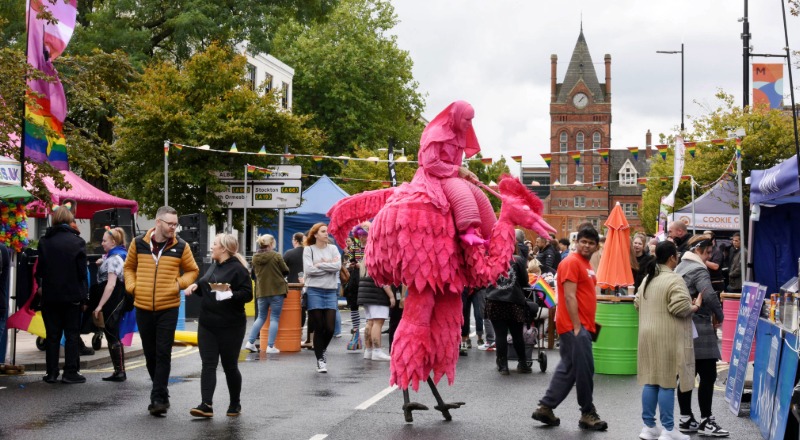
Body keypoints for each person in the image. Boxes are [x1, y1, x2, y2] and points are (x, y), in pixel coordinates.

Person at [125, 206, 199, 416]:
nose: (173, 228)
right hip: (143, 306)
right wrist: (132, 287)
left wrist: (178, 284)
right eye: (170, 224)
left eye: (176, 224)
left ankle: (157, 398)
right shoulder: (138, 243)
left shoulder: (181, 246)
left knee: (163, 352)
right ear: (158, 223)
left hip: (168, 307)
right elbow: (128, 267)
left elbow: (193, 270)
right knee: (150, 355)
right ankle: (163, 392)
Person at [532, 225, 608, 431]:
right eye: (583, 241)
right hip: (575, 326)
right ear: (576, 242)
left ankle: (546, 407)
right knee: (584, 369)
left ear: (596, 246)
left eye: (591, 243)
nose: (587, 245)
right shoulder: (571, 262)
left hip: (582, 325)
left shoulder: (585, 264)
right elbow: (569, 295)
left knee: (570, 368)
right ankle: (587, 412)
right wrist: (577, 327)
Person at [635, 241, 698, 440]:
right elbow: (679, 308)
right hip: (667, 336)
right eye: (676, 255)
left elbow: (637, 302)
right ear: (672, 257)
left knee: (650, 380)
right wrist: (694, 306)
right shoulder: (674, 279)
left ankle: (649, 427)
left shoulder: (648, 278)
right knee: (667, 382)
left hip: (647, 334)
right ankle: (669, 430)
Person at [185, 233, 253, 418]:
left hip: (231, 325)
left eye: (214, 244)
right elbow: (205, 283)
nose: (211, 247)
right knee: (208, 364)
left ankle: (235, 403)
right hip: (207, 324)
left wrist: (231, 294)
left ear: (223, 248)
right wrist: (195, 287)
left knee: (229, 366)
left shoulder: (239, 270)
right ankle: (206, 404)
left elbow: (248, 295)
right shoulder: (214, 264)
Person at [674, 235, 729, 437]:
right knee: (708, 375)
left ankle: (686, 418)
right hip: (699, 325)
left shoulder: (681, 266)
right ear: (699, 250)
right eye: (707, 252)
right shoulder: (697, 268)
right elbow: (708, 294)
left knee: (687, 374)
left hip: (684, 324)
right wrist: (721, 316)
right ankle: (706, 420)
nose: (708, 256)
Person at [36, 206, 88, 384]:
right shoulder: (77, 242)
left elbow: (40, 270)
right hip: (71, 296)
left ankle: (51, 373)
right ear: (69, 221)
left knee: (52, 336)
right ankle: (70, 372)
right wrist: (84, 297)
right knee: (72, 334)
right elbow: (82, 273)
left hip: (50, 296)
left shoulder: (44, 241)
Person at [484, 251, 532, 375]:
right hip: (514, 300)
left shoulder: (490, 259)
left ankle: (503, 366)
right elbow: (524, 280)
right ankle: (523, 363)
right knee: (517, 334)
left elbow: (484, 278)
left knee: (500, 334)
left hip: (494, 299)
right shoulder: (518, 260)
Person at [303, 222, 342, 373]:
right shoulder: (308, 250)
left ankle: (321, 350)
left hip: (330, 291)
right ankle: (320, 359)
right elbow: (309, 270)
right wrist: (326, 267)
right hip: (314, 290)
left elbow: (337, 267)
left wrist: (319, 265)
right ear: (315, 234)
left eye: (327, 231)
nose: (327, 234)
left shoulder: (332, 249)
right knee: (319, 326)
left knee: (330, 328)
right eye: (323, 231)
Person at [93, 227, 130, 382]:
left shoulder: (115, 258)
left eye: (104, 240)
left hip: (114, 298)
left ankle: (120, 372)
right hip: (116, 298)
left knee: (112, 333)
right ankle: (118, 371)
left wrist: (100, 306)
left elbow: (110, 285)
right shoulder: (116, 255)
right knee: (111, 333)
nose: (102, 243)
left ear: (113, 242)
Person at [245, 234, 289, 353]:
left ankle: (250, 342)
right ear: (271, 244)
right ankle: (270, 346)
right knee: (274, 318)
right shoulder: (276, 255)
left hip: (262, 291)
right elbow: (286, 270)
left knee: (261, 317)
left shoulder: (254, 257)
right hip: (277, 290)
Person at [357, 257, 395, 361]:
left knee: (370, 322)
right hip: (377, 294)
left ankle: (369, 350)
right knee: (378, 322)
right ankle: (377, 351)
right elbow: (382, 280)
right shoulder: (379, 257)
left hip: (366, 292)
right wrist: (391, 295)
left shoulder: (367, 256)